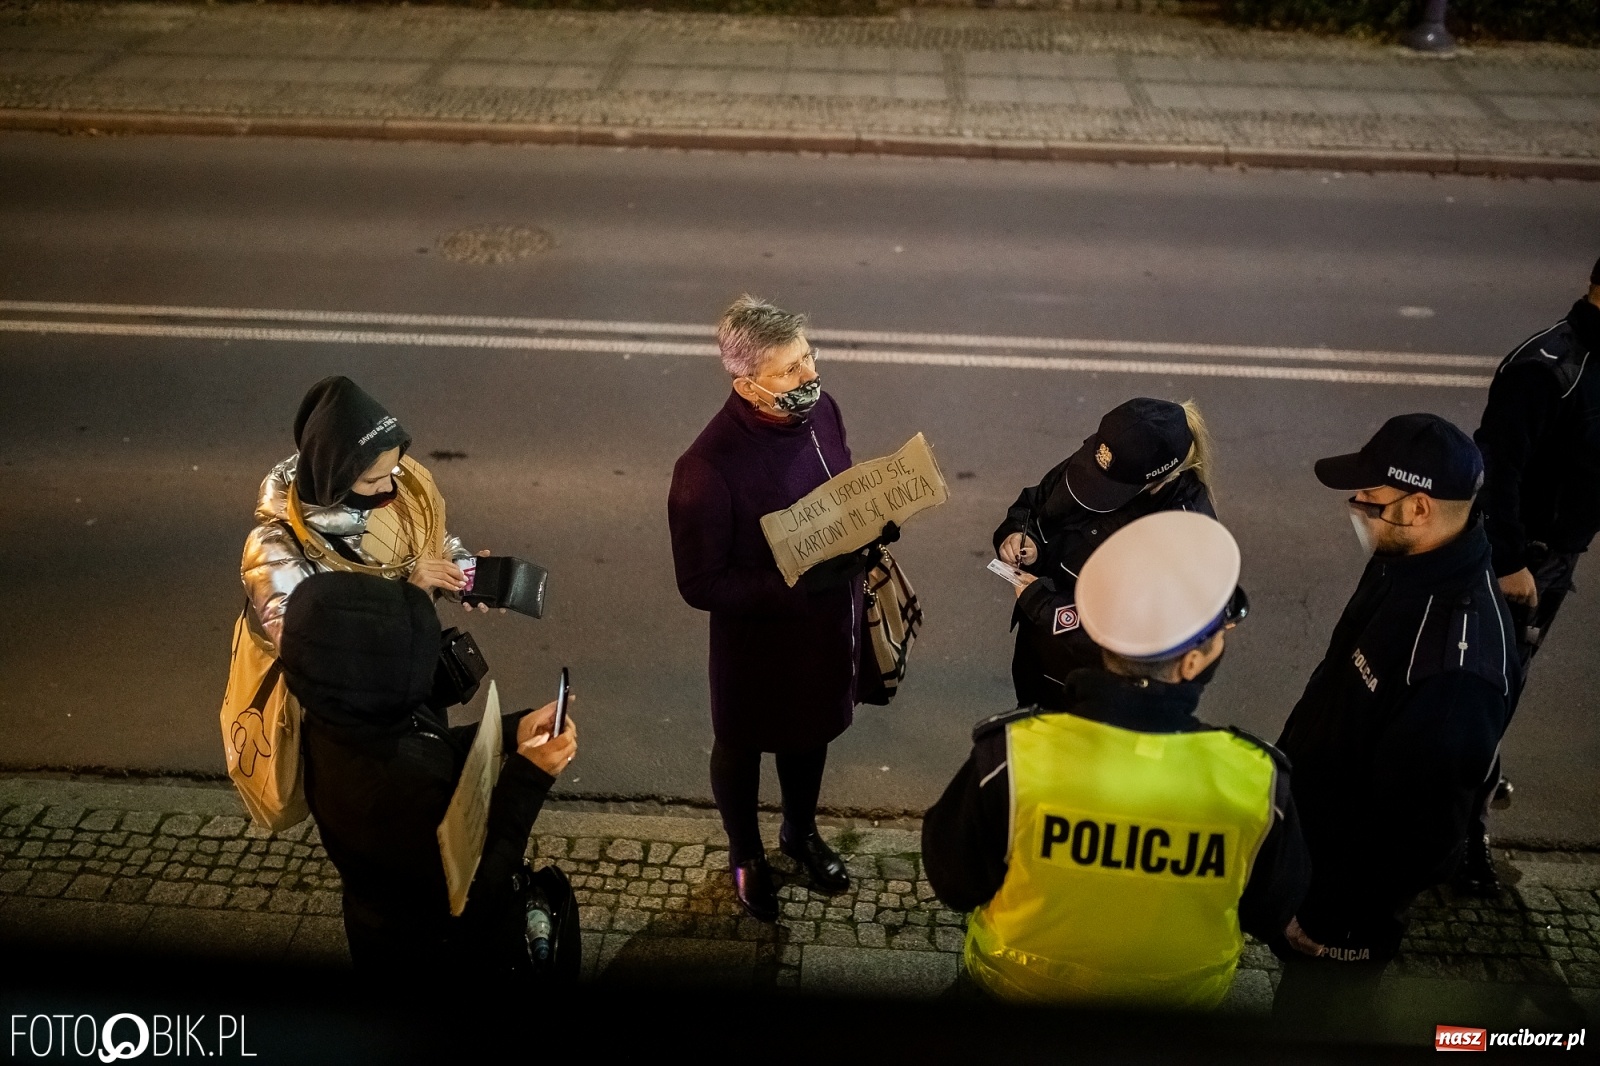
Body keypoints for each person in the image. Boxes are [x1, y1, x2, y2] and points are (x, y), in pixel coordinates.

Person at [924, 511, 1308, 1009]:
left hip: (1009, 1007)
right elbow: (1270, 912)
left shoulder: (1012, 758)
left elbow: (954, 881)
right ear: (1192, 661)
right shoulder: (1258, 782)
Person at [1273, 414, 1519, 1030]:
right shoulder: (1406, 558)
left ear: (1418, 508)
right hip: (1312, 851)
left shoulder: (1455, 670)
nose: (1356, 508)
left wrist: (1330, 920)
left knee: (1315, 1024)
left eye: (1370, 500)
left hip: (1341, 912)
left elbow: (1420, 839)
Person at [668, 295, 892, 921]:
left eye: (808, 357)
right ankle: (747, 854)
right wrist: (797, 587)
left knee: (810, 735)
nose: (810, 376)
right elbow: (701, 584)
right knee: (742, 746)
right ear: (747, 384)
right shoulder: (706, 470)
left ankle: (799, 832)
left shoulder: (823, 414)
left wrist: (869, 529)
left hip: (825, 629)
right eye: (789, 369)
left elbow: (841, 492)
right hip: (757, 647)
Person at [278, 571, 577, 979]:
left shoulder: (345, 712)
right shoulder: (386, 789)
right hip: (440, 960)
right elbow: (470, 896)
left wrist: (514, 730)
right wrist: (530, 778)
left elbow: (431, 742)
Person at [1461, 259, 1600, 891]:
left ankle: (1474, 793)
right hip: (1521, 563)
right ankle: (1460, 838)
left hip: (1554, 557)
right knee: (1481, 696)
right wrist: (1511, 561)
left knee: (1502, 690)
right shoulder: (1545, 369)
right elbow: (1499, 470)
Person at [993, 397, 1216, 711]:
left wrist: (1042, 604)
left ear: (1160, 479)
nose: (1095, 485)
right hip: (1041, 667)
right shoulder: (1105, 461)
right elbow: (1036, 501)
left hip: (1103, 696)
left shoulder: (1183, 532)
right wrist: (1020, 534)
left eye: (1111, 485)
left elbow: (1141, 638)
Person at [241, 376, 484, 651]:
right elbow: (314, 657)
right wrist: (411, 601)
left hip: (404, 677)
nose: (389, 487)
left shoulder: (382, 497)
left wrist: (461, 573)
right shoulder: (274, 549)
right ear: (334, 478)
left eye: (392, 471)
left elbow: (432, 540)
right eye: (372, 480)